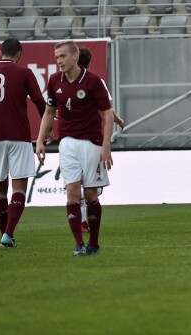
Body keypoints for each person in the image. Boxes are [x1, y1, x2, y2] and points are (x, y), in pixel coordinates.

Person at [35, 40, 114, 256]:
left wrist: (106, 146)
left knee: (90, 194)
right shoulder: (54, 81)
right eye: (57, 57)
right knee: (72, 192)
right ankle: (79, 244)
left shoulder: (93, 82)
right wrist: (40, 140)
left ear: (75, 56)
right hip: (67, 143)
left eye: (62, 56)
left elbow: (107, 115)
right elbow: (49, 112)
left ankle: (94, 244)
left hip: (92, 143)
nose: (59, 61)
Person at [0, 37, 47, 248]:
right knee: (19, 185)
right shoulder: (25, 73)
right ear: (19, 54)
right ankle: (9, 233)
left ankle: (5, 234)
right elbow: (40, 102)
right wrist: (46, 130)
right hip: (19, 136)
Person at [76, 46, 124, 234]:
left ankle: (83, 221)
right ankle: (82, 223)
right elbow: (106, 108)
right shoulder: (97, 82)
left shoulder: (72, 82)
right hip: (91, 140)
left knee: (84, 188)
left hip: (74, 141)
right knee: (87, 188)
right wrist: (118, 119)